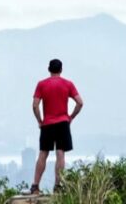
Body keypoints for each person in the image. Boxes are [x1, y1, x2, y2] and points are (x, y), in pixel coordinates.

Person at [30, 59, 83, 195]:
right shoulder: (68, 84)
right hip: (62, 123)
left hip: (47, 124)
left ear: (49, 69)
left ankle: (35, 186)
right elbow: (80, 103)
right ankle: (58, 187)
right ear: (61, 70)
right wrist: (71, 117)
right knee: (60, 154)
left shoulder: (41, 84)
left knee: (43, 153)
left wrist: (40, 120)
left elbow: (35, 105)